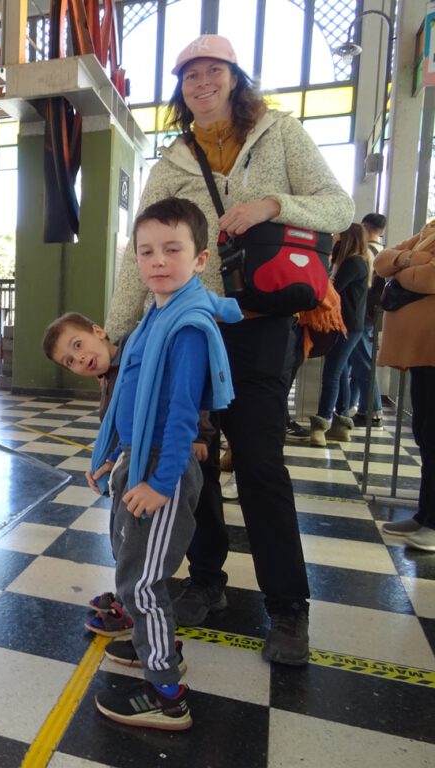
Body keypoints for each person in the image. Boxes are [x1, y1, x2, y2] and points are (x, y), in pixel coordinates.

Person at [104, 34, 354, 666]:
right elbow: (139, 251)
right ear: (181, 91)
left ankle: (288, 608)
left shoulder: (280, 134)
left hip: (259, 320)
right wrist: (116, 330)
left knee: (261, 463)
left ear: (236, 78)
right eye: (190, 76)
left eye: (213, 71)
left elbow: (340, 207)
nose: (202, 83)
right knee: (194, 456)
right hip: (187, 324)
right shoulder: (171, 161)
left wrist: (274, 203)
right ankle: (207, 580)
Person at [89, 197, 240, 731]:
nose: (157, 261)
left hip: (162, 469)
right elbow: (129, 396)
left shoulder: (188, 325)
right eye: (146, 251)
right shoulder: (155, 316)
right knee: (130, 563)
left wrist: (160, 482)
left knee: (144, 582)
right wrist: (111, 454)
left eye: (172, 250)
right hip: (139, 460)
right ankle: (151, 644)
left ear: (199, 259)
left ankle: (167, 692)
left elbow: (180, 418)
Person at [42, 312, 215, 640]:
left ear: (98, 330)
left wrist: (200, 435)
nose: (79, 358)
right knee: (125, 536)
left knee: (145, 546)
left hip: (161, 463)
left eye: (78, 345)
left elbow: (185, 388)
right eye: (69, 361)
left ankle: (144, 621)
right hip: (134, 463)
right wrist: (107, 462)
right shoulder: (109, 374)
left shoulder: (137, 356)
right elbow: (122, 426)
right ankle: (127, 597)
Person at [375, 220, 435, 551]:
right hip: (423, 354)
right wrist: (408, 260)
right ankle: (425, 513)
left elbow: (430, 278)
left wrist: (404, 263)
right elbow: (383, 259)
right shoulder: (432, 227)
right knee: (425, 434)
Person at [310, 223, 368, 447]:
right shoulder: (358, 261)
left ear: (346, 238)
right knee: (341, 371)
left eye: (337, 235)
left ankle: (321, 423)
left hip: (347, 326)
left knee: (332, 373)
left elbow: (332, 288)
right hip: (350, 325)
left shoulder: (352, 263)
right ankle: (342, 423)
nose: (333, 238)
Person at [345, 212, 387, 426]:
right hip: (373, 314)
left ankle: (373, 410)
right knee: (357, 360)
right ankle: (353, 405)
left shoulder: (364, 252)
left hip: (360, 314)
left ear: (364, 226)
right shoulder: (384, 252)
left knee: (362, 361)